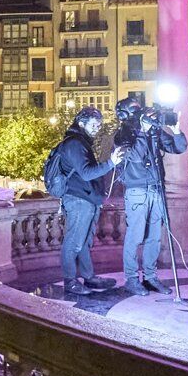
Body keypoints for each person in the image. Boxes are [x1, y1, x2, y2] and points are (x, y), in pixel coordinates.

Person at [111, 97, 188, 293]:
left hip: (156, 188)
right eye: (134, 110)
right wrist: (143, 132)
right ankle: (131, 278)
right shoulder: (122, 135)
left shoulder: (153, 131)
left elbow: (177, 147)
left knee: (154, 237)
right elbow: (134, 158)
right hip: (137, 190)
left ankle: (150, 277)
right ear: (124, 114)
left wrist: (177, 130)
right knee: (135, 236)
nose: (139, 114)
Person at [46, 106, 116, 294]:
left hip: (86, 198)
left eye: (99, 125)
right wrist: (111, 163)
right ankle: (70, 281)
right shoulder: (74, 144)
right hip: (78, 199)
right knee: (74, 241)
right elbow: (86, 173)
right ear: (82, 123)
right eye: (94, 124)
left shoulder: (81, 143)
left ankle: (88, 277)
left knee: (83, 241)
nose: (97, 128)